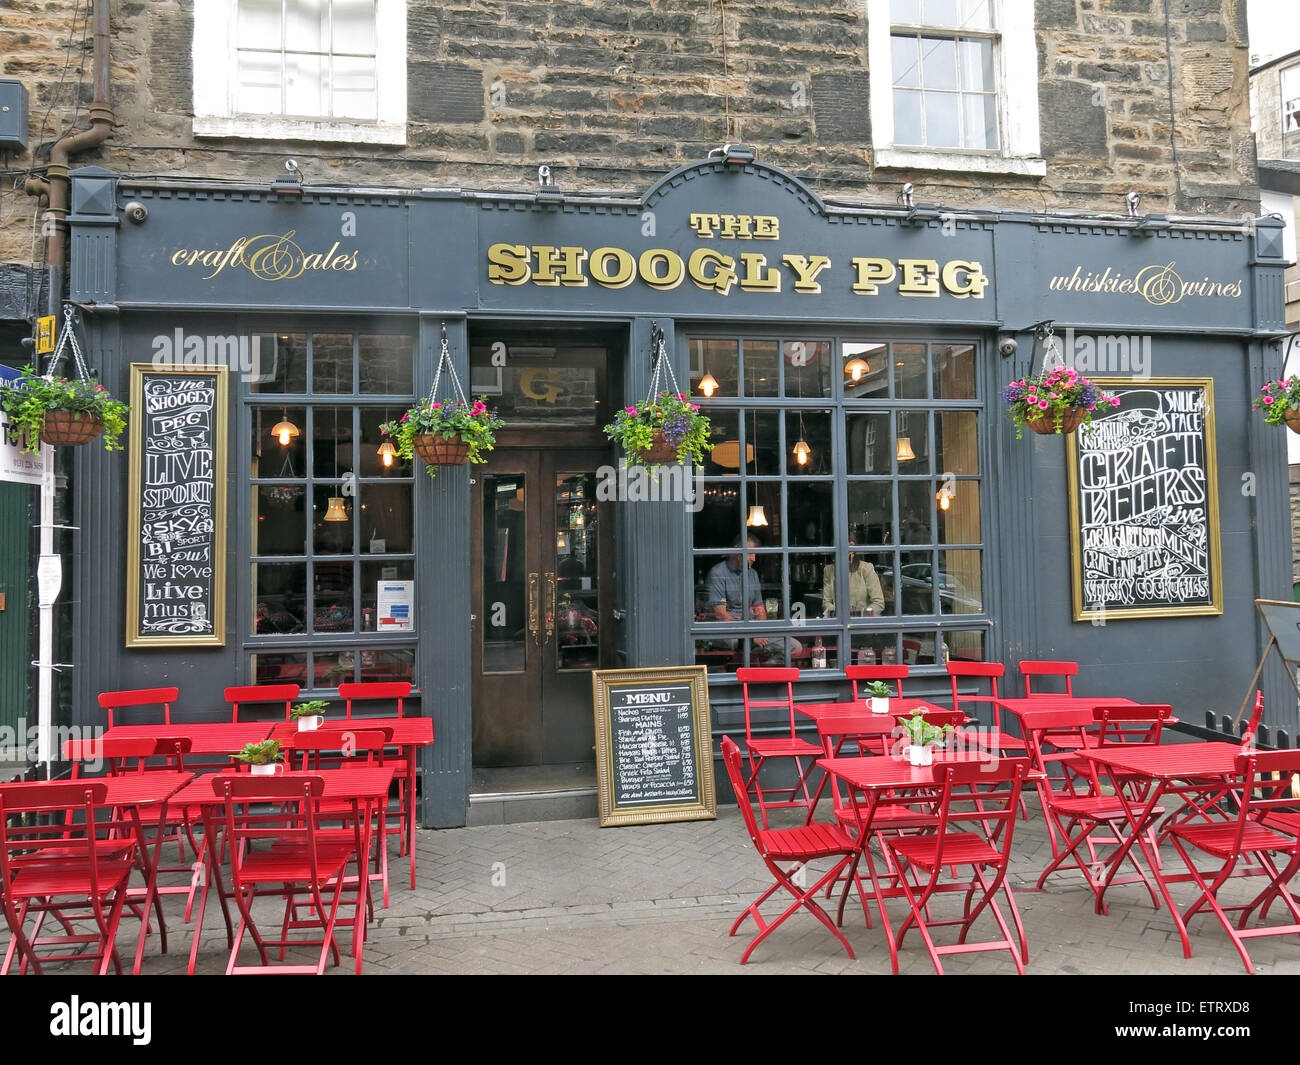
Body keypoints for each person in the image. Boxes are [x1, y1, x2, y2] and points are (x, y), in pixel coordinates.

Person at [707, 535, 801, 660]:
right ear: (738, 550)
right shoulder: (718, 573)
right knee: (734, 642)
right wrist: (750, 635)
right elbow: (721, 615)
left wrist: (760, 632)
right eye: (751, 553)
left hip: (752, 632)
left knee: (795, 646)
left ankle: (763, 676)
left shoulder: (753, 574)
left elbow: (759, 609)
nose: (754, 558)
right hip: (729, 632)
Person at [822, 541, 885, 617]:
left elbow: (878, 603)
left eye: (851, 546)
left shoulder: (866, 568)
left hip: (863, 623)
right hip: (838, 621)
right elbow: (826, 602)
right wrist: (834, 612)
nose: (848, 552)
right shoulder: (829, 570)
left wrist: (862, 615)